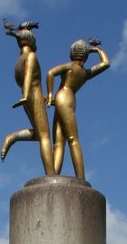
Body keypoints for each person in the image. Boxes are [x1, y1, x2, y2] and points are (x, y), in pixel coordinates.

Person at [45, 38, 110, 179]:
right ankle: (58, 175)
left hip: (61, 97)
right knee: (67, 139)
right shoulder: (85, 74)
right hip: (69, 99)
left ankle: (77, 178)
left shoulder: (70, 67)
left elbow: (50, 73)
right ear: (85, 55)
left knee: (65, 140)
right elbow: (105, 63)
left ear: (72, 53)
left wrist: (50, 95)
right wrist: (98, 50)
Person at [0, 22, 54, 175]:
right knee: (45, 137)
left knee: (38, 134)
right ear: (31, 41)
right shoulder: (30, 56)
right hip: (31, 95)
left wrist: (29, 97)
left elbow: (25, 80)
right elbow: (29, 76)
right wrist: (26, 97)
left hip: (30, 97)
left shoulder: (19, 61)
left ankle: (13, 137)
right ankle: (51, 175)